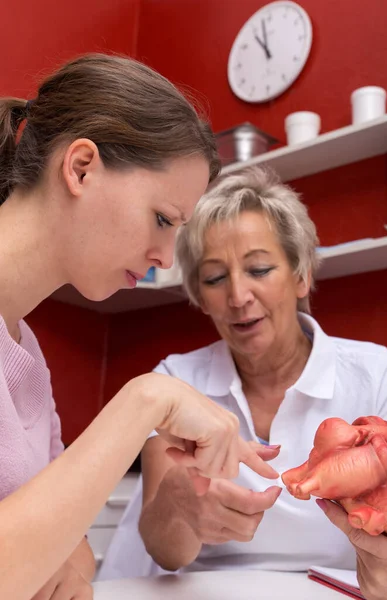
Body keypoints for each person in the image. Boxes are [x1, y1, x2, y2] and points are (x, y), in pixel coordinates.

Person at [0, 54, 275, 600]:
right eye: (161, 219)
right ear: (81, 167)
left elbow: (72, 547)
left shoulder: (24, 353)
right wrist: (146, 400)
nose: (166, 257)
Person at [100, 167, 387, 593]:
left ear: (301, 276)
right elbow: (164, 550)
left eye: (258, 270)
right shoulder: (174, 380)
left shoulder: (381, 377)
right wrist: (180, 506)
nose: (238, 297)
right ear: (200, 297)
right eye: (215, 278)